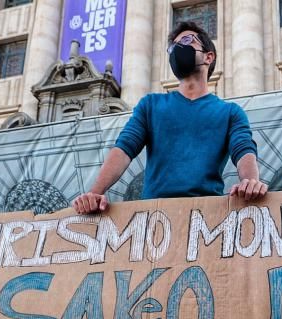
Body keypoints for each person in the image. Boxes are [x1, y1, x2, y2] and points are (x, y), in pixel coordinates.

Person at [72, 21, 267, 214]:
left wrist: (250, 182)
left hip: (207, 217)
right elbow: (124, 148)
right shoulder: (150, 105)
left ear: (208, 57)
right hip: (153, 217)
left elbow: (243, 150)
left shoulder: (231, 113)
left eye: (187, 40)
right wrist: (94, 193)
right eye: (173, 46)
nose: (177, 48)